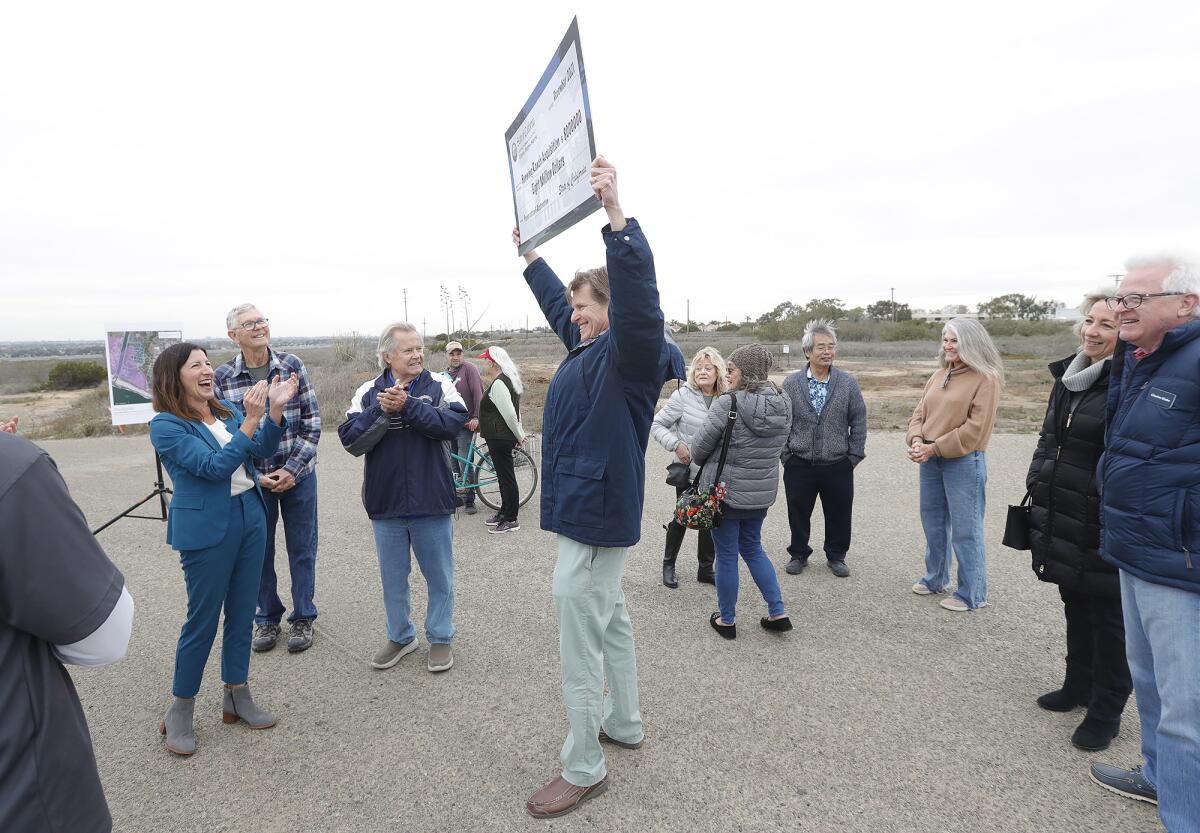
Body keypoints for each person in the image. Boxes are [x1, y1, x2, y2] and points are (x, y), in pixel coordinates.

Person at [515, 156, 673, 819]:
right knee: (609, 618)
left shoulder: (632, 353)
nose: (575, 318)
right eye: (575, 310)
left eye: (586, 308)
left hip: (596, 513)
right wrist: (531, 258)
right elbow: (563, 307)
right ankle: (625, 720)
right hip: (590, 507)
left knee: (578, 628)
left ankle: (584, 763)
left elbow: (638, 306)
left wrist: (616, 216)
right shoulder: (591, 346)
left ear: (613, 309)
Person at [1088, 255, 1200, 833]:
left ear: (1187, 304)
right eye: (1120, 296)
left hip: (1180, 560)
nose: (1121, 307)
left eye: (1137, 298)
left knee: (1187, 710)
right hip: (1134, 548)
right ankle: (1159, 777)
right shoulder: (1141, 359)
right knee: (1150, 680)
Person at [149, 342, 298, 756]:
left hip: (250, 516)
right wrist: (251, 421)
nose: (206, 370)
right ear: (173, 377)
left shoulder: (226, 413)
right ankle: (181, 709)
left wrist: (273, 412)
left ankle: (236, 694)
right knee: (202, 619)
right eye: (195, 365)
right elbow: (214, 468)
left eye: (207, 363)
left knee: (242, 612)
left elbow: (262, 449)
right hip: (207, 528)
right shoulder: (167, 425)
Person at [0, 432, 134, 833]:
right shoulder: (12, 468)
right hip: (26, 798)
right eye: (196, 363)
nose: (206, 370)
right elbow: (105, 637)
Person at [1025, 289, 1131, 752]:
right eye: (1090, 321)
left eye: (1107, 325)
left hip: (1103, 516)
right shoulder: (1068, 376)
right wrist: (1038, 478)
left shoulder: (1128, 379)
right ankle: (1078, 685)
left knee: (1109, 616)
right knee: (1075, 599)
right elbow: (1050, 436)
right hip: (1064, 508)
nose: (1092, 331)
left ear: (1127, 332)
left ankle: (1107, 709)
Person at [338, 322, 468, 674]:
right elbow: (350, 440)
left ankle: (440, 637)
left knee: (439, 576)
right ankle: (401, 636)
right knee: (393, 579)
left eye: (419, 348)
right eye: (408, 349)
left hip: (432, 499)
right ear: (387, 356)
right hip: (386, 503)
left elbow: (453, 424)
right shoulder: (368, 392)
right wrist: (382, 410)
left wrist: (409, 405)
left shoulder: (440, 385)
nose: (417, 354)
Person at [213, 304, 322, 655]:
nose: (259, 327)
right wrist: (257, 476)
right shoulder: (222, 376)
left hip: (298, 475)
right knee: (258, 552)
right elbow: (223, 435)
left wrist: (291, 469)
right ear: (233, 335)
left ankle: (303, 615)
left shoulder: (293, 365)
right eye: (249, 324)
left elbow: (313, 423)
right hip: (254, 481)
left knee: (302, 547)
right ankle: (267, 617)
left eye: (261, 320)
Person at [690, 344, 793, 638]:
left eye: (731, 369)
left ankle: (727, 619)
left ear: (745, 372)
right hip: (760, 494)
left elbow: (698, 450)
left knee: (725, 556)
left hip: (726, 494)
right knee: (752, 548)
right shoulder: (784, 402)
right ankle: (777, 611)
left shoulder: (728, 403)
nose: (728, 374)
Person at [906, 317, 1002, 612]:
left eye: (954, 340)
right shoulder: (938, 375)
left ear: (971, 343)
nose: (948, 346)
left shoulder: (986, 378)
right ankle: (936, 578)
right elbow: (919, 414)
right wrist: (916, 440)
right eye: (946, 339)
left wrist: (935, 448)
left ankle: (972, 594)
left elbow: (974, 429)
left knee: (966, 529)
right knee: (933, 523)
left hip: (963, 461)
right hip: (931, 459)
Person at [780, 319, 867, 578]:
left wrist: (853, 455)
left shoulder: (847, 383)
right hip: (799, 462)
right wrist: (787, 455)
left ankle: (836, 555)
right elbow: (783, 422)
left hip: (837, 463)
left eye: (831, 346)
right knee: (798, 512)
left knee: (839, 512)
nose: (827, 351)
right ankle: (798, 553)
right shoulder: (792, 383)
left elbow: (859, 420)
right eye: (821, 347)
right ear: (808, 351)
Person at [651, 346, 726, 587]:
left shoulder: (727, 397)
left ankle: (705, 568)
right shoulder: (683, 395)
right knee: (683, 515)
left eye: (708, 367)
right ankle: (668, 564)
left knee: (711, 516)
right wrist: (676, 445)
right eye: (698, 367)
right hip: (689, 470)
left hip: (716, 472)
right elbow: (657, 425)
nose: (702, 372)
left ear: (718, 371)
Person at [476, 345, 526, 534]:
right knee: (503, 477)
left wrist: (520, 435)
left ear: (494, 362)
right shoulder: (508, 380)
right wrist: (518, 433)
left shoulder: (499, 383)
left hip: (500, 437)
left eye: (487, 360)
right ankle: (504, 512)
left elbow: (511, 414)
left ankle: (511, 519)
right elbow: (515, 411)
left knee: (507, 478)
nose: (485, 363)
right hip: (499, 437)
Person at [444, 340, 484, 515]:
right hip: (449, 424)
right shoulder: (445, 374)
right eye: (452, 354)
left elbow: (478, 393)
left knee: (463, 460)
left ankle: (470, 499)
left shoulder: (469, 369)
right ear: (446, 356)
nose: (455, 357)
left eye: (458, 353)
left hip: (466, 423)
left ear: (463, 354)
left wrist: (476, 416)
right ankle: (459, 496)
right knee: (452, 461)